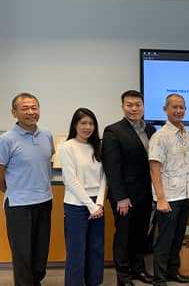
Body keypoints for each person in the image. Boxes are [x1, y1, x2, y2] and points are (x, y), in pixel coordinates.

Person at [0, 92, 54, 286]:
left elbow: (45, 162)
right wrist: (16, 191)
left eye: (34, 108)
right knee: (22, 255)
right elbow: (0, 174)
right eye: (25, 108)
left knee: (40, 254)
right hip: (19, 205)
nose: (31, 112)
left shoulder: (47, 135)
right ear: (14, 112)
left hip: (45, 201)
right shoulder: (6, 139)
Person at [102, 90, 155, 286]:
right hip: (124, 197)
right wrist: (121, 197)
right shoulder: (113, 131)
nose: (134, 108)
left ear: (143, 105)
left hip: (145, 194)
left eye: (137, 104)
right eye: (129, 105)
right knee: (123, 236)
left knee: (140, 235)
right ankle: (123, 277)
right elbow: (112, 168)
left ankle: (138, 269)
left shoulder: (150, 129)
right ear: (123, 106)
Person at [149, 93, 189, 286]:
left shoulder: (188, 134)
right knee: (164, 242)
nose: (178, 110)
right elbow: (154, 169)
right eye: (174, 107)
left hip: (184, 196)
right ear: (165, 109)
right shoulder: (159, 137)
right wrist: (160, 198)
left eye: (181, 107)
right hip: (168, 198)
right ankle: (159, 279)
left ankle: (171, 272)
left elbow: (187, 165)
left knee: (177, 239)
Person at [58, 107, 106, 286]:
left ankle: (94, 282)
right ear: (75, 125)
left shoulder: (97, 146)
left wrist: (99, 203)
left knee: (95, 250)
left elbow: (104, 177)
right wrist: (91, 206)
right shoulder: (67, 146)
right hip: (76, 205)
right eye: (83, 123)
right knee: (76, 252)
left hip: (97, 205)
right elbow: (71, 180)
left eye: (91, 123)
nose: (88, 127)